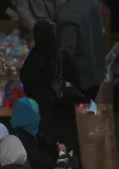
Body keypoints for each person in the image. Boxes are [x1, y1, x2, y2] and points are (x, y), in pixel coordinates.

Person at [20, 21, 80, 152]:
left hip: (43, 114)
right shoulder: (62, 57)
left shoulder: (32, 61)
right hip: (64, 112)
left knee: (48, 147)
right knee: (67, 146)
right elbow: (76, 79)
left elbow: (26, 84)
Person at [56, 0, 106, 101]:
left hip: (80, 80)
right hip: (97, 73)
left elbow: (65, 55)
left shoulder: (67, 13)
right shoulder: (92, 0)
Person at [9, 97, 56, 169]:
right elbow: (39, 165)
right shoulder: (21, 140)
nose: (39, 117)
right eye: (36, 113)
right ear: (29, 115)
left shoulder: (19, 134)